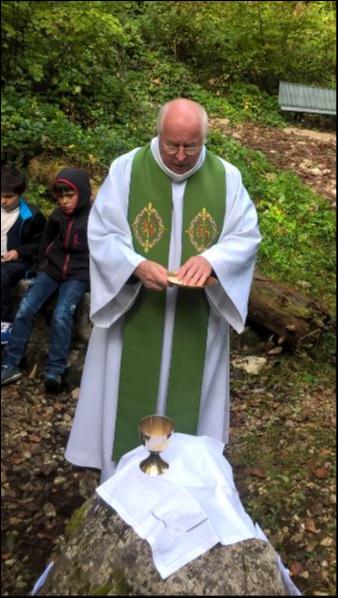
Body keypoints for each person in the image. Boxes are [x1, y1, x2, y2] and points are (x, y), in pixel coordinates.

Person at [65, 98, 262, 482]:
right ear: (158, 133)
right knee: (126, 396)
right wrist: (134, 265)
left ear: (205, 137)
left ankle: (186, 485)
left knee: (190, 406)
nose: (181, 155)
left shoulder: (226, 177)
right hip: (137, 312)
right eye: (172, 144)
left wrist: (214, 260)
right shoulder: (127, 170)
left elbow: (245, 236)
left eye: (192, 146)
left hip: (196, 318)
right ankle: (122, 481)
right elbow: (103, 233)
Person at [1, 168, 92, 393]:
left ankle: (55, 369)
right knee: (26, 308)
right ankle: (11, 363)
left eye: (69, 196)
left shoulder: (95, 217)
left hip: (78, 274)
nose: (64, 201)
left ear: (82, 193)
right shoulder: (57, 216)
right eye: (60, 196)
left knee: (62, 314)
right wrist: (40, 267)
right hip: (51, 270)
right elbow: (46, 243)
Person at [1, 165, 46, 345]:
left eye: (8, 197)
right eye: (0, 196)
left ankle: (4, 323)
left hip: (19, 263)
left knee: (2, 274)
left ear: (20, 194)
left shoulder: (32, 215)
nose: (3, 201)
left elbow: (42, 243)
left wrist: (19, 252)